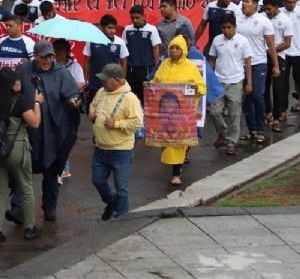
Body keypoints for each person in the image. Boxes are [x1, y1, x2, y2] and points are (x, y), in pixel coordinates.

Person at [13, 40, 81, 221]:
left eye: (50, 56)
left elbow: (72, 94)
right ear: (35, 56)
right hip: (27, 130)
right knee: (21, 169)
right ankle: (18, 209)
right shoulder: (23, 71)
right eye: (43, 57)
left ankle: (50, 206)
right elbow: (13, 92)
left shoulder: (62, 73)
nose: (47, 60)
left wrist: (74, 100)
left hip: (53, 131)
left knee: (51, 170)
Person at [0, 67, 43, 244]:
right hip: (17, 149)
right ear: (13, 84)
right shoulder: (20, 101)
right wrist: (37, 103)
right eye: (18, 81)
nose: (20, 83)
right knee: (26, 187)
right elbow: (35, 122)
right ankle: (29, 227)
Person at [150, 35, 206, 186]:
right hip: (165, 112)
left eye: (177, 48)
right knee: (167, 142)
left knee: (178, 143)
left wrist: (194, 89)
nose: (174, 51)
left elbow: (202, 87)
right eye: (172, 48)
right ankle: (175, 163)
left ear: (183, 50)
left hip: (183, 113)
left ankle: (176, 173)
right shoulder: (163, 65)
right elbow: (155, 83)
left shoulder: (190, 67)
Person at [88, 63, 142, 220]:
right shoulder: (101, 92)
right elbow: (93, 105)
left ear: (117, 81)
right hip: (100, 148)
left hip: (121, 150)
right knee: (97, 180)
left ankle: (122, 218)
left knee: (121, 188)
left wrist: (116, 124)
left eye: (106, 80)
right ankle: (111, 201)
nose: (103, 82)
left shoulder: (130, 98)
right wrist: (92, 113)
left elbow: (137, 122)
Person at [208, 15, 252, 155]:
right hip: (218, 82)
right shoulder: (217, 40)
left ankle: (231, 142)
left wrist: (249, 83)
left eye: (229, 28)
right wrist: (210, 81)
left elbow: (248, 63)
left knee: (234, 114)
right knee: (214, 112)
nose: (226, 31)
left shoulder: (243, 41)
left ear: (235, 27)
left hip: (236, 81)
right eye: (224, 28)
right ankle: (223, 132)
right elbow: (212, 61)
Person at [236, 0, 278, 142]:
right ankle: (251, 129)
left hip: (258, 63)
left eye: (246, 1)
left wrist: (276, 66)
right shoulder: (238, 20)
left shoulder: (264, 21)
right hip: (240, 65)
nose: (243, 4)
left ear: (255, 4)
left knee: (257, 95)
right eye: (242, 1)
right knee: (246, 98)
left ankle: (260, 129)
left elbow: (271, 46)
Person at [262, 0, 293, 131]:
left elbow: (287, 43)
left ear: (276, 7)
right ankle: (268, 112)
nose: (267, 12)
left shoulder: (285, 20)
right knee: (264, 87)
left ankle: (276, 118)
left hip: (279, 57)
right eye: (265, 9)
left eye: (269, 9)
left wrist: (271, 50)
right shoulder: (261, 18)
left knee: (278, 88)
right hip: (262, 57)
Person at [122, 6, 161, 105]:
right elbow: (123, 50)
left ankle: (145, 118)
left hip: (146, 68)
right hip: (131, 68)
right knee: (131, 95)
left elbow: (156, 48)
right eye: (132, 18)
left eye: (137, 17)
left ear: (144, 16)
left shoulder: (152, 29)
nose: (134, 20)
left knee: (145, 95)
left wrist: (157, 68)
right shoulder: (127, 29)